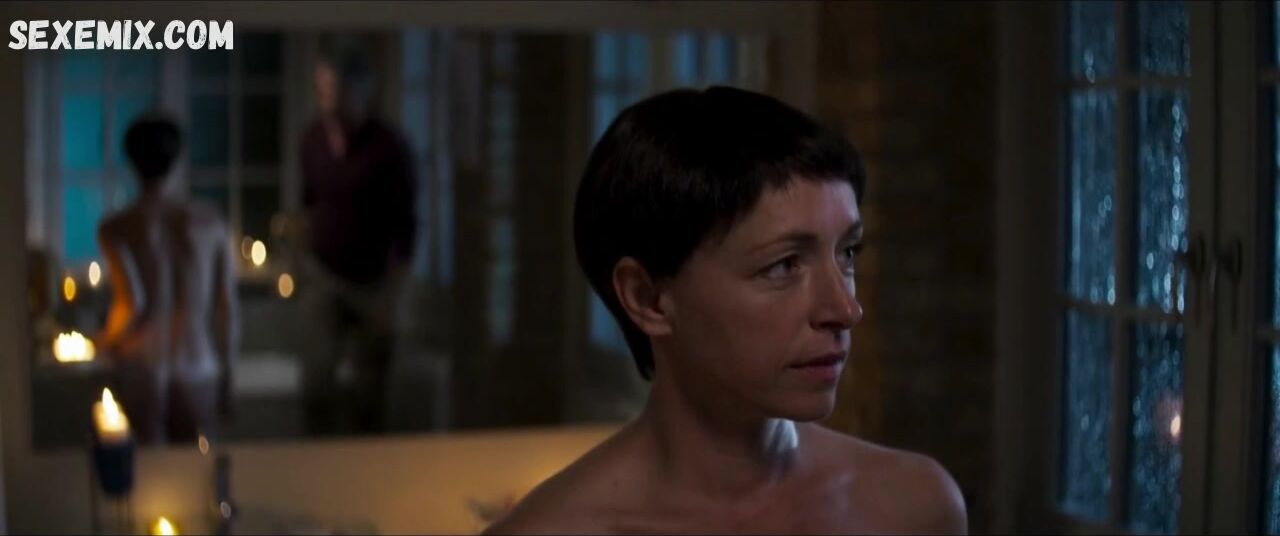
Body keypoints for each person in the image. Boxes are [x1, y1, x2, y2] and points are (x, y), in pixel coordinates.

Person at [484, 87, 967, 534]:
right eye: (784, 265)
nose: (845, 309)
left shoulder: (914, 506)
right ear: (648, 298)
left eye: (847, 253)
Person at [97, 114, 239, 444]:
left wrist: (105, 341)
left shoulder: (117, 227)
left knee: (149, 469)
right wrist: (228, 374)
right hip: (198, 363)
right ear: (177, 160)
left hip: (143, 365)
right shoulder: (210, 223)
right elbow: (226, 308)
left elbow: (132, 304)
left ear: (132, 162)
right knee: (195, 466)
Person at [299, 46, 415, 434]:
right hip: (323, 278)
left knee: (370, 396)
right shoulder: (313, 140)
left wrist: (393, 295)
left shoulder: (389, 148)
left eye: (333, 89)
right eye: (320, 88)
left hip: (373, 286)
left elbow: (406, 226)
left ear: (359, 90)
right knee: (315, 387)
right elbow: (308, 203)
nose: (325, 98)